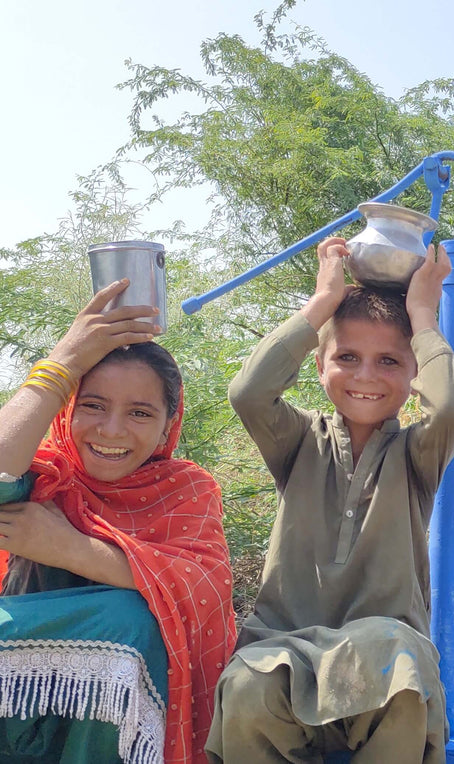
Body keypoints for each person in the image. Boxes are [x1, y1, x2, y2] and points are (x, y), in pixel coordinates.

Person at [206, 237, 454, 763]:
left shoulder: (416, 454)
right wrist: (322, 302)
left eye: (389, 361)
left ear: (413, 371)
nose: (366, 376)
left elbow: (448, 411)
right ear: (320, 364)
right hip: (286, 645)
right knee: (245, 688)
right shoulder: (298, 441)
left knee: (401, 670)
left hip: (382, 654)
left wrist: (422, 311)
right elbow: (249, 393)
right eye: (347, 357)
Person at [0, 279, 236, 764]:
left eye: (141, 413)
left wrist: (66, 548)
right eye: (92, 405)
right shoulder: (44, 475)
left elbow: (204, 588)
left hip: (116, 739)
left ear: (170, 424)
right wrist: (63, 362)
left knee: (131, 623)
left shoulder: (185, 491)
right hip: (17, 719)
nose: (112, 430)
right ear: (65, 407)